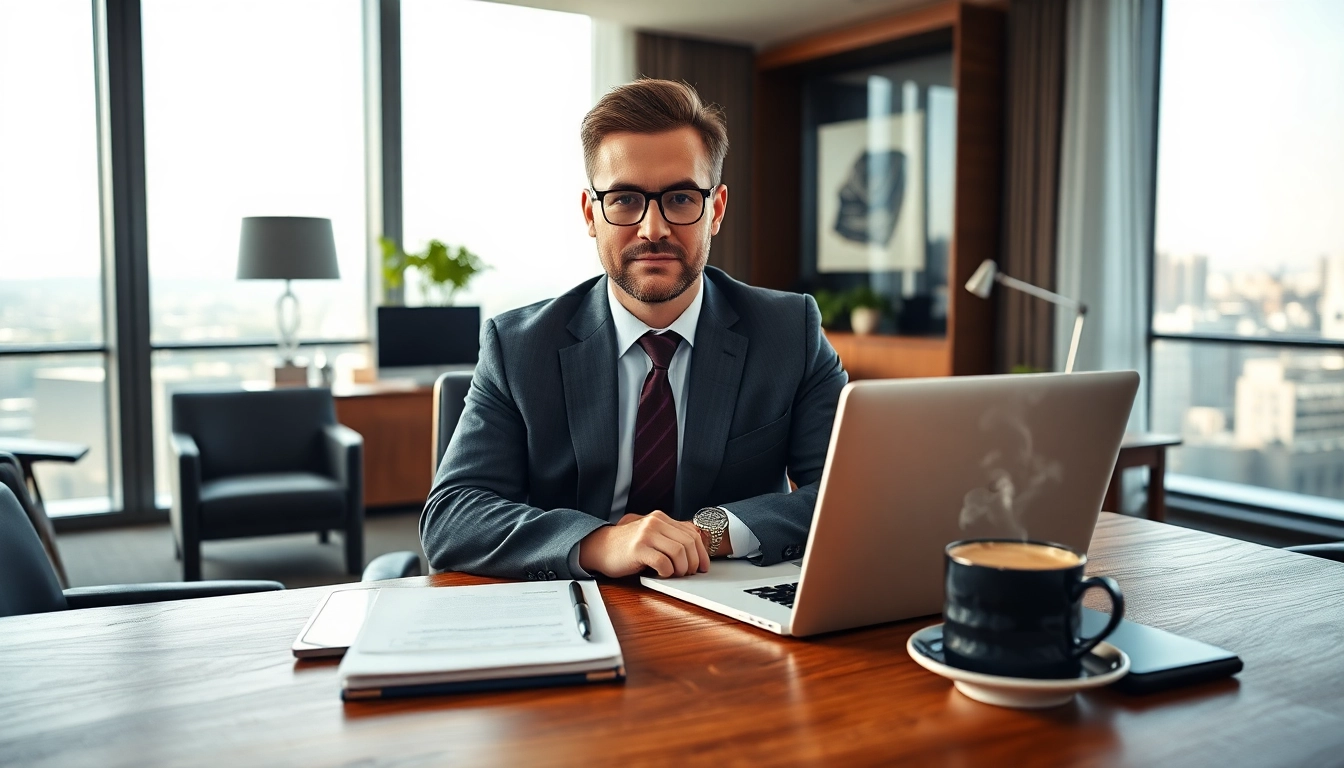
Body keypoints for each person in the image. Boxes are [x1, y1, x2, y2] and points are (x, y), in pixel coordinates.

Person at [420, 78, 847, 581]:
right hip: (572, 606)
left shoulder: (789, 330)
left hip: (729, 609)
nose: (653, 229)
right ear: (590, 213)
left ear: (716, 210)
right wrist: (601, 543)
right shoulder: (518, 347)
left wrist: (708, 530)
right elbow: (452, 516)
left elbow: (852, 492)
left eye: (682, 198)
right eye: (624, 199)